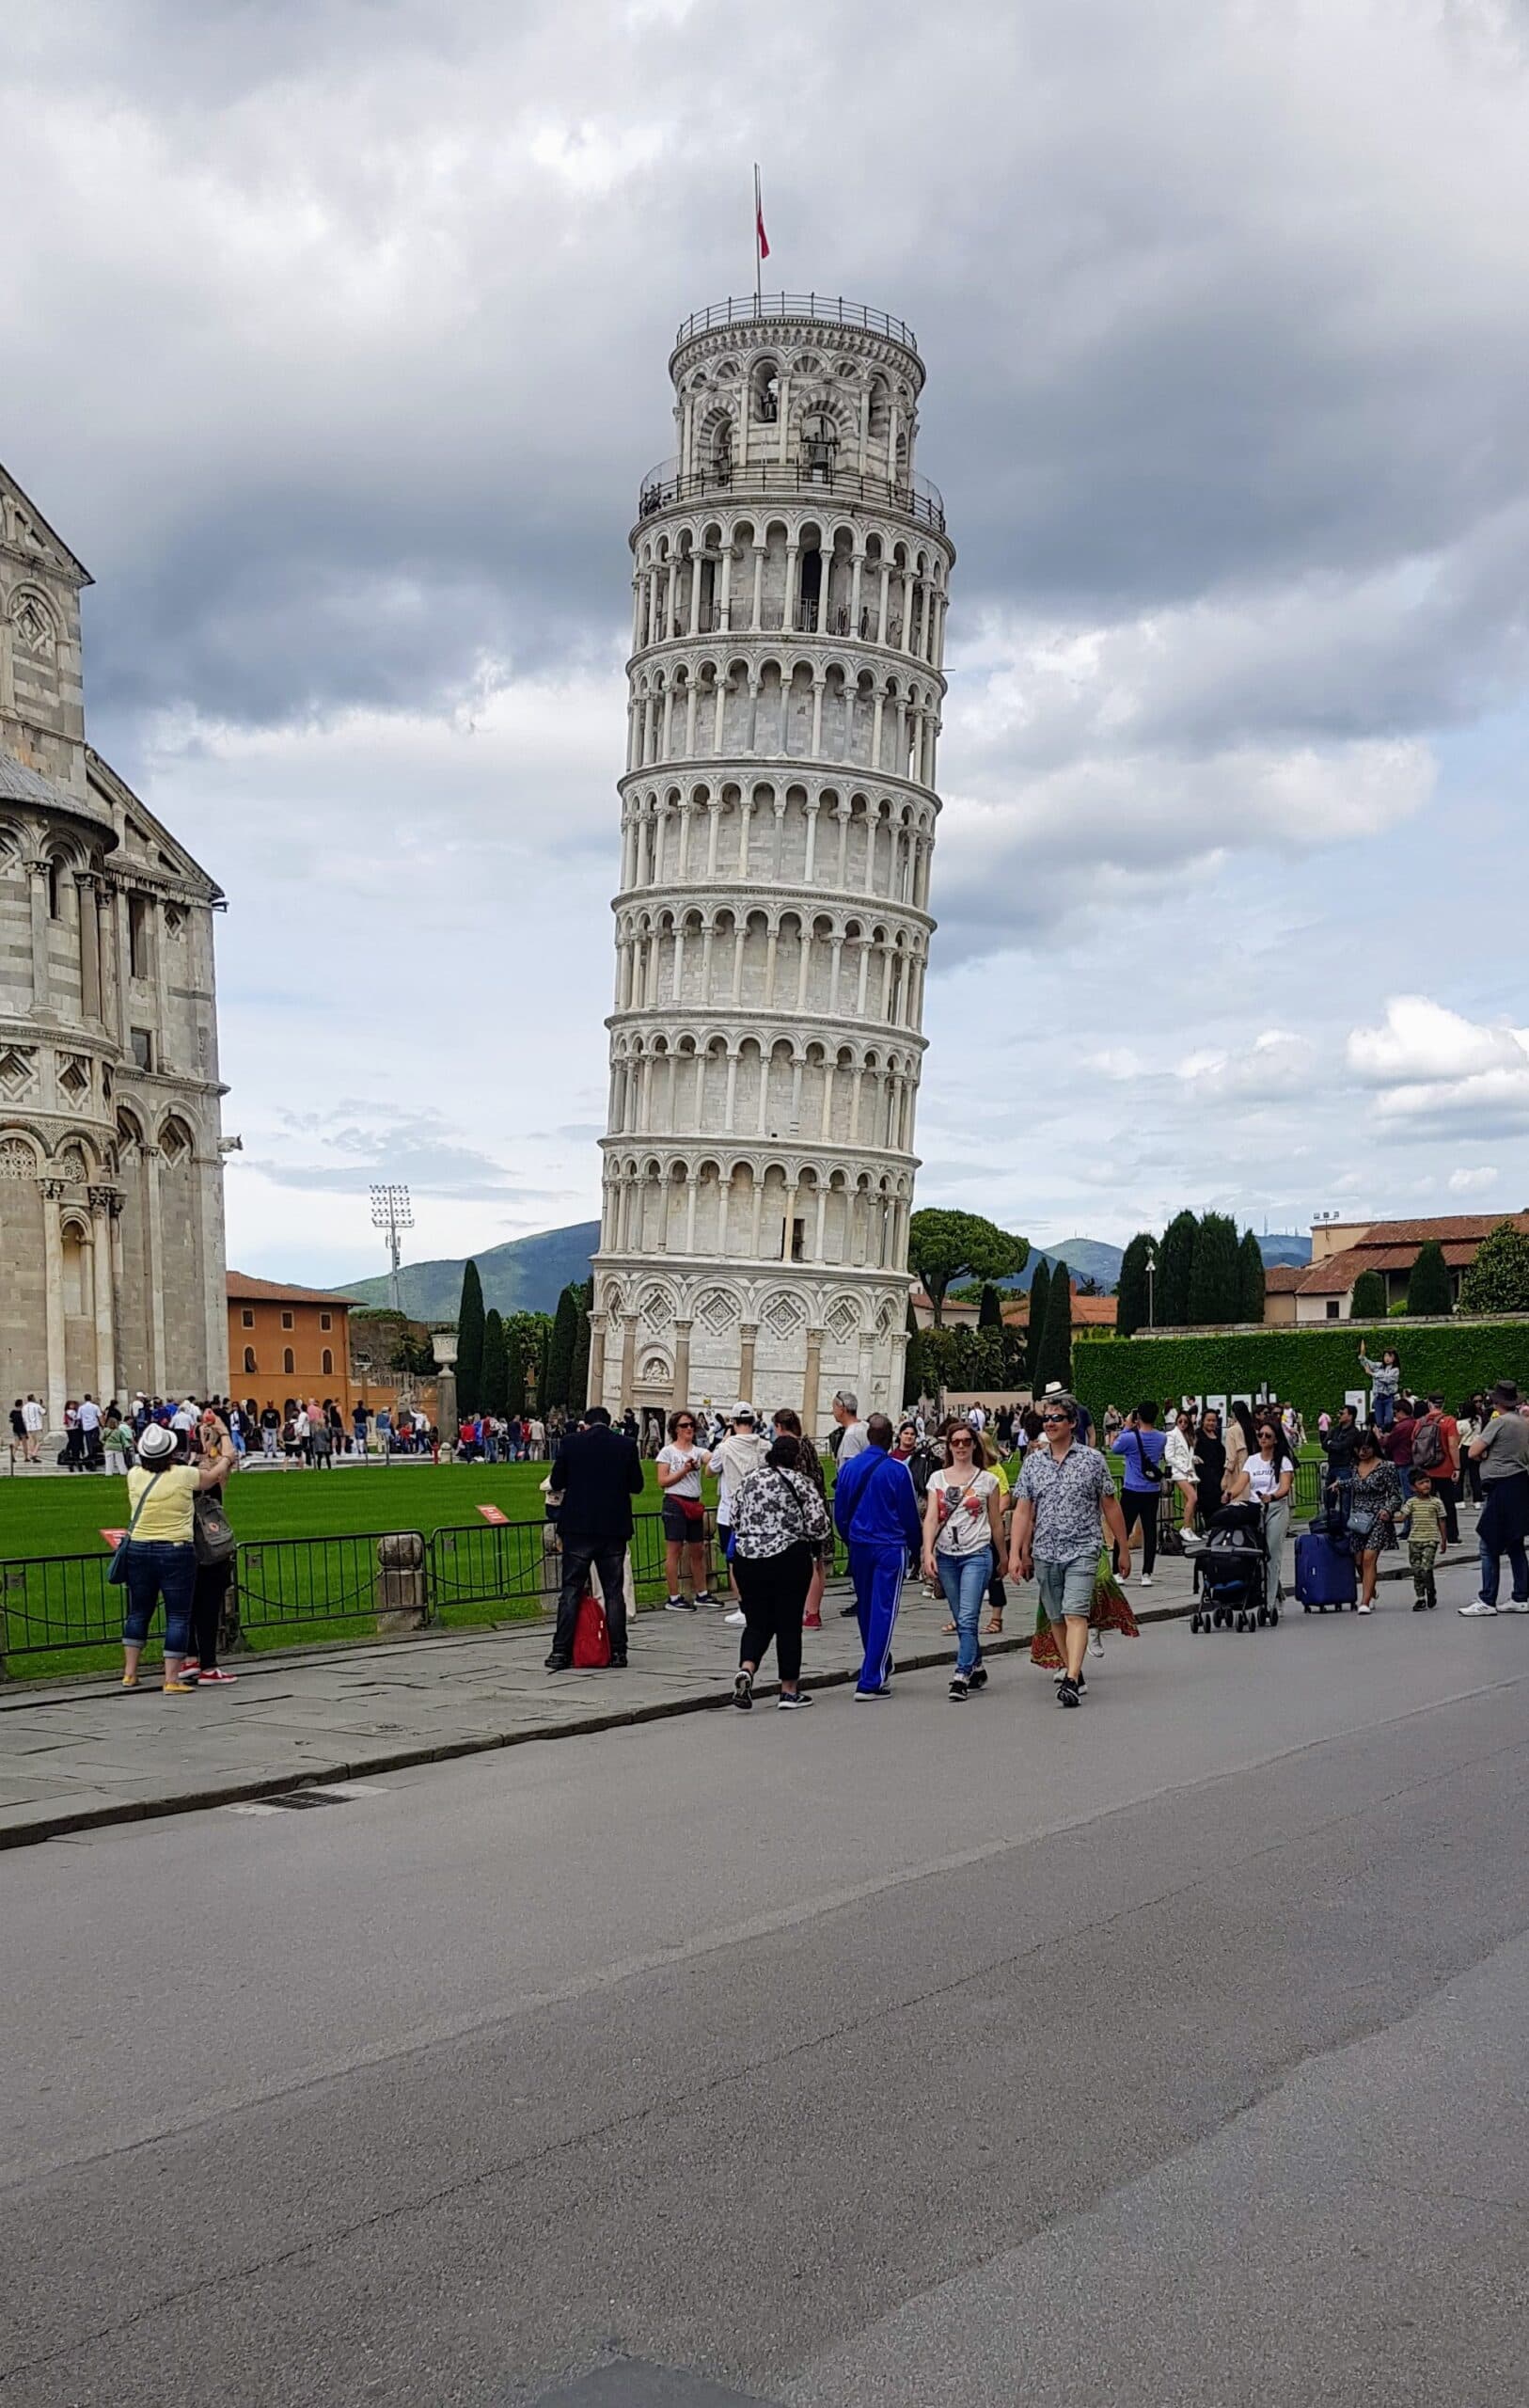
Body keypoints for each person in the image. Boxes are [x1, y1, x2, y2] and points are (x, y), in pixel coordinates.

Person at [1009, 1390, 1131, 1708]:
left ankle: (1071, 1678)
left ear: (1072, 1423)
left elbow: (1110, 1505)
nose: (1049, 1424)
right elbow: (1023, 1510)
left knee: (1075, 1612)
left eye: (1056, 1418)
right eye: (1046, 1418)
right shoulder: (1034, 1463)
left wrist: (1123, 1548)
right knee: (1056, 1617)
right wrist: (1015, 1554)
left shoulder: (1092, 1460)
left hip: (1083, 1548)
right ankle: (1074, 1670)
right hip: (1046, 1551)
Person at [119, 1421, 236, 1691]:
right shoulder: (184, 1475)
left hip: (138, 1548)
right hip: (174, 1549)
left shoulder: (134, 1474)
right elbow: (216, 1473)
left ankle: (129, 1674)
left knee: (138, 1613)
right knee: (178, 1615)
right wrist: (225, 1448)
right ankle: (171, 1680)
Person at [731, 1434, 831, 1711]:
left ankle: (747, 1669)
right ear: (796, 1458)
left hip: (748, 1557)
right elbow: (818, 1524)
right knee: (788, 1622)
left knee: (756, 1621)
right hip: (787, 1554)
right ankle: (788, 1690)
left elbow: (735, 1516)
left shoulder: (750, 1479)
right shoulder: (801, 1482)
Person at [544, 1405, 644, 1671]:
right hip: (613, 1527)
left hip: (578, 1527)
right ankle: (619, 1652)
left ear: (585, 1425)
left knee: (571, 1590)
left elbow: (557, 1480)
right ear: (610, 1423)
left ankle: (560, 1652)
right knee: (613, 1592)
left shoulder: (571, 1443)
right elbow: (637, 1485)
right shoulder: (625, 1445)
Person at [833, 1412, 923, 1698]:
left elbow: (840, 1512)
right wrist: (916, 1546)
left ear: (868, 1436)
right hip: (889, 1546)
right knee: (884, 1609)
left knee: (867, 1607)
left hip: (860, 1544)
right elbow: (909, 1514)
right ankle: (871, 1678)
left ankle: (878, 1661)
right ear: (890, 1439)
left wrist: (850, 1537)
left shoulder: (849, 1469)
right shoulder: (897, 1470)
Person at [922, 1419, 1004, 1701]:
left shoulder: (987, 1480)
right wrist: (927, 1550)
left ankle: (961, 1674)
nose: (960, 1447)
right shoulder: (938, 1479)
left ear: (974, 1446)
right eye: (955, 1442)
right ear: (949, 1446)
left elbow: (996, 1523)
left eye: (966, 1442)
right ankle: (977, 1664)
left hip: (977, 1553)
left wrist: (1004, 1557)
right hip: (947, 1555)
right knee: (960, 1616)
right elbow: (931, 1517)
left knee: (968, 1617)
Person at [1459, 1380, 1529, 1618]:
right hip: (1520, 1481)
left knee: (1488, 1543)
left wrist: (1485, 1456)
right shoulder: (1524, 1423)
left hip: (1500, 1483)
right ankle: (1521, 1596)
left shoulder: (1498, 1422)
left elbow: (1472, 1451)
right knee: (1515, 1543)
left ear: (1498, 1401)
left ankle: (1487, 1598)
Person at [1228, 1418, 1296, 1615]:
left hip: (1275, 1508)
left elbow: (1284, 1487)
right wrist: (1230, 1493)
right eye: (1260, 1435)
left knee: (1272, 1555)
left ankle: (1269, 1603)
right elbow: (1241, 1483)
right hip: (1256, 1509)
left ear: (1275, 1439)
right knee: (1258, 1555)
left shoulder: (1283, 1461)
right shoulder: (1252, 1460)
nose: (1263, 1438)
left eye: (1268, 1436)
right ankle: (1278, 1593)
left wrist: (1272, 1496)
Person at [711, 1404, 770, 1625]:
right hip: (758, 1513)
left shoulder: (725, 1448)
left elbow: (710, 1470)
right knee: (759, 1560)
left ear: (733, 1423)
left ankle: (743, 1606)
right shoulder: (766, 1446)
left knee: (735, 1562)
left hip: (730, 1512)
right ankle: (760, 1603)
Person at [774, 1407, 830, 1627]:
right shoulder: (807, 1444)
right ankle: (813, 1609)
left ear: (780, 1427)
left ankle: (807, 1610)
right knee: (818, 1561)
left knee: (806, 1562)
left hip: (801, 1513)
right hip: (818, 1508)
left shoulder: (791, 1449)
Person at [656, 1409, 716, 1610]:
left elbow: (710, 1458)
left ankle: (702, 1593)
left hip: (693, 1501)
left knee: (697, 1550)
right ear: (675, 1429)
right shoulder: (668, 1452)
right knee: (674, 1550)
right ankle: (673, 1597)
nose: (689, 1428)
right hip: (675, 1501)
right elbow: (662, 1481)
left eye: (691, 1425)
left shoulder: (697, 1451)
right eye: (684, 1425)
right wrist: (684, 1470)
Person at [1342, 1433, 1402, 1613]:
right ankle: (1371, 1590)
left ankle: (1365, 1601)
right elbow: (1353, 1484)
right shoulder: (1355, 1466)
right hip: (1359, 1518)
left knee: (1369, 1557)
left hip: (1378, 1516)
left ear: (1373, 1447)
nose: (1362, 1452)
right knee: (1358, 1559)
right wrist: (1340, 1485)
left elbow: (1395, 1495)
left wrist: (1388, 1509)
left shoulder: (1386, 1467)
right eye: (1358, 1449)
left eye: (1366, 1448)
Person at [1111, 1402, 1166, 1587]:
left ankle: (1117, 1571)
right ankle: (1147, 1573)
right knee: (1150, 1531)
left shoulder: (1130, 1438)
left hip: (1132, 1488)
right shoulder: (1161, 1438)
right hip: (1152, 1489)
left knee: (1123, 1529)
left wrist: (1127, 1426)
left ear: (1138, 1417)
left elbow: (1115, 1447)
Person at [1412, 1393, 1459, 1545]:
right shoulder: (1449, 1421)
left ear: (1429, 1404)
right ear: (1443, 1404)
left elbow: (1414, 1442)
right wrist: (1457, 1467)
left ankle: (1427, 1534)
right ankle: (1451, 1536)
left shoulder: (1421, 1422)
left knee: (1426, 1503)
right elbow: (1453, 1445)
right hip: (1445, 1468)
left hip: (1426, 1469)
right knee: (1448, 1504)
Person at [1395, 1472, 1446, 1611]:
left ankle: (1430, 1589)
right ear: (1413, 1487)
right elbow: (1402, 1517)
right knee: (1417, 1571)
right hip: (1414, 1540)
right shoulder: (1411, 1503)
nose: (1426, 1485)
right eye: (1421, 1483)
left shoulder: (1436, 1502)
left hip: (1431, 1539)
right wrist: (1388, 1518)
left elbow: (1441, 1521)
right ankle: (1420, 1598)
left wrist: (1444, 1540)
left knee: (1426, 1568)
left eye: (1427, 1482)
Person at [1323, 1403, 1362, 1529]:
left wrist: (1332, 1444)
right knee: (1329, 1499)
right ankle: (1329, 1524)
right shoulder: (1335, 1430)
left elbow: (1343, 1446)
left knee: (1345, 1500)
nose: (1339, 1416)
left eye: (1342, 1413)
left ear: (1350, 1416)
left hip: (1344, 1466)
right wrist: (1332, 1444)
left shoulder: (1353, 1432)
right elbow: (1325, 1444)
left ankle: (1345, 1528)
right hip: (1332, 1466)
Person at [1163, 1408, 1199, 1541]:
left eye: (1185, 1422)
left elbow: (1187, 1454)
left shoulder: (1188, 1436)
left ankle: (1189, 1527)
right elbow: (1169, 1456)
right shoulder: (1171, 1435)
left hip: (1189, 1471)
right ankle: (1186, 1528)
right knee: (1192, 1497)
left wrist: (1194, 1459)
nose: (1183, 1424)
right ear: (1176, 1421)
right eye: (1180, 1421)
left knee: (1189, 1500)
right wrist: (1184, 1467)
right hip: (1179, 1472)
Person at [1194, 1408, 1227, 1525]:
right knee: (1208, 1500)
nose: (1211, 1423)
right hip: (1204, 1475)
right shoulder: (1197, 1435)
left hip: (1218, 1472)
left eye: (1214, 1421)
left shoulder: (1217, 1435)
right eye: (1208, 1420)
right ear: (1203, 1421)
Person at [1358, 1344, 1401, 1433]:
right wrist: (1362, 1357)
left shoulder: (1395, 1370)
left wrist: (1372, 1374)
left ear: (1394, 1358)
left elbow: (1387, 1379)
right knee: (1379, 1421)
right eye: (1385, 1355)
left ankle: (1387, 1435)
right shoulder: (1380, 1366)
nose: (1387, 1358)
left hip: (1388, 1398)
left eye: (1390, 1356)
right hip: (1378, 1398)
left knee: (1389, 1420)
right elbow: (1369, 1364)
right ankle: (1380, 1437)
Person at [830, 1389, 868, 1464]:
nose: (832, 1411)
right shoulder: (867, 1426)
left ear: (841, 1409)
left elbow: (852, 1467)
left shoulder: (851, 1435)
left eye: (834, 1408)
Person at [21, 1392, 43, 1463]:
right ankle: (34, 1454)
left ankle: (32, 1454)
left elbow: (23, 1418)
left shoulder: (24, 1407)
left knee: (31, 1441)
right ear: (33, 1399)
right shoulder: (37, 1406)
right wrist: (42, 1405)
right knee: (40, 1440)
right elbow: (43, 1412)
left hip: (29, 1426)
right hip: (37, 1426)